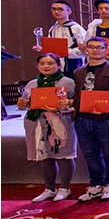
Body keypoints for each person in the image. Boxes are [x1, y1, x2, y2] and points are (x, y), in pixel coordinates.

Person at [71, 37, 109, 202]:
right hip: (82, 119)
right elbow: (76, 96)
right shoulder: (78, 72)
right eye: (92, 47)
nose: (95, 50)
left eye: (99, 47)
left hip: (106, 119)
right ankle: (95, 185)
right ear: (86, 49)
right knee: (90, 155)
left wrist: (108, 106)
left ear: (106, 50)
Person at [17, 53, 77, 202]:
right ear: (37, 66)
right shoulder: (32, 84)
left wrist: (66, 105)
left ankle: (64, 188)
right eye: (42, 63)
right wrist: (22, 104)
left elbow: (76, 103)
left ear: (59, 65)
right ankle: (49, 189)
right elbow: (25, 104)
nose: (46, 66)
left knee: (64, 156)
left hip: (60, 122)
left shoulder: (68, 82)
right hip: (37, 123)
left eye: (50, 63)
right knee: (44, 156)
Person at [33, 0, 86, 79]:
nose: (56, 12)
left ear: (69, 12)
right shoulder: (53, 29)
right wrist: (43, 48)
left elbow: (85, 50)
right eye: (54, 9)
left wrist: (65, 52)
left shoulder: (75, 28)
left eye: (60, 9)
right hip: (56, 69)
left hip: (74, 69)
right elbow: (51, 48)